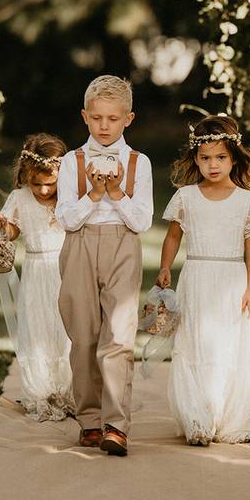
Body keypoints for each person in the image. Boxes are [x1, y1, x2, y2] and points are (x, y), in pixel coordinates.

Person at [155, 114, 250, 446]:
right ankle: (198, 419)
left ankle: (228, 416)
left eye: (220, 157)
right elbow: (173, 237)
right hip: (197, 278)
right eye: (205, 158)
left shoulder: (247, 201)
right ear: (195, 160)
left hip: (232, 282)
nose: (213, 165)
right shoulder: (186, 197)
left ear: (234, 158)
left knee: (227, 347)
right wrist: (165, 267)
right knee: (195, 344)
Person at [55, 75, 153, 456]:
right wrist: (94, 194)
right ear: (84, 116)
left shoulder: (138, 163)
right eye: (96, 118)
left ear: (129, 118)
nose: (104, 126)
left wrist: (117, 194)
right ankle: (89, 419)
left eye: (113, 118)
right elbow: (67, 218)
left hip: (122, 245)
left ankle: (116, 425)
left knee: (119, 334)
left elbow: (142, 221)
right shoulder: (70, 162)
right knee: (84, 336)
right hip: (80, 245)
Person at [0, 133, 75, 422]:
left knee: (66, 332)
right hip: (37, 273)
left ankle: (68, 391)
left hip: (66, 271)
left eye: (49, 184)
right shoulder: (19, 198)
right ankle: (42, 392)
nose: (41, 190)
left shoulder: (69, 198)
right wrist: (4, 226)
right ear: (26, 175)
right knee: (38, 330)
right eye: (35, 183)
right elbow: (13, 233)